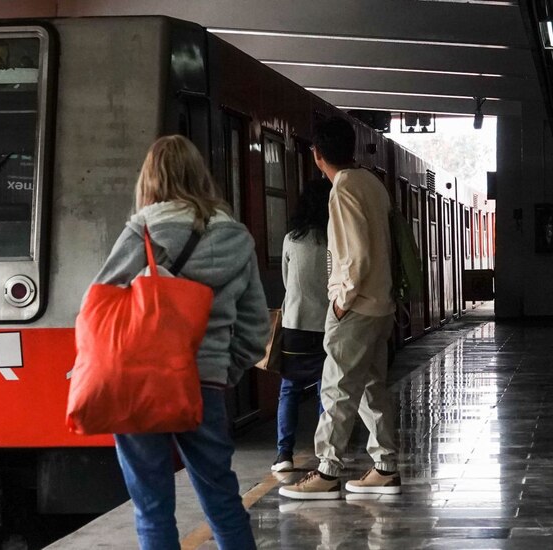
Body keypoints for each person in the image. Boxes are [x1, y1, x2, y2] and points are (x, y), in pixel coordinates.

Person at [91, 135, 269, 549]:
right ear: (199, 174)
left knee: (152, 508)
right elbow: (255, 325)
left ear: (150, 178)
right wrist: (224, 371)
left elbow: (100, 301)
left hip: (141, 384)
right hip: (204, 384)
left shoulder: (143, 230)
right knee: (223, 501)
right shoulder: (237, 237)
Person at [280, 116, 400, 500]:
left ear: (317, 155)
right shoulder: (372, 183)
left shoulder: (344, 187)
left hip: (358, 305)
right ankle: (384, 467)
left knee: (336, 389)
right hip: (381, 305)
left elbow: (356, 255)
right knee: (371, 388)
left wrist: (341, 301)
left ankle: (328, 472)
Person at [272, 178, 332, 473]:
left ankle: (284, 455)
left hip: (295, 324)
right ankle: (325, 454)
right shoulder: (335, 239)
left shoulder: (291, 239)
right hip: (327, 326)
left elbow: (287, 282)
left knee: (289, 390)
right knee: (326, 391)